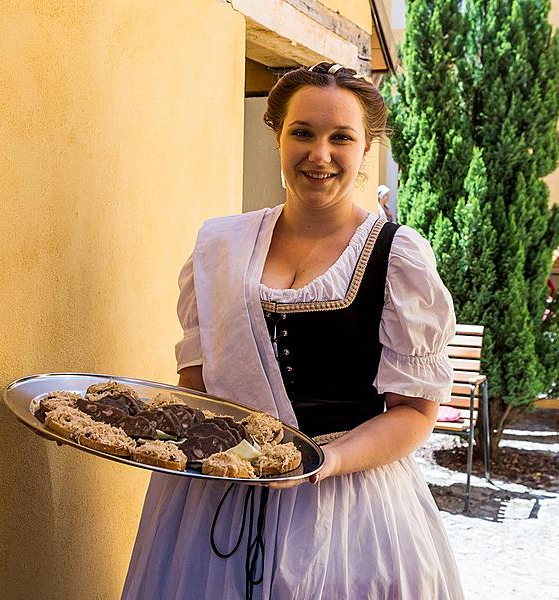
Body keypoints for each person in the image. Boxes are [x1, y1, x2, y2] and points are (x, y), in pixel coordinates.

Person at [122, 63, 464, 599]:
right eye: (302, 132)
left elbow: (416, 413)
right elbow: (197, 388)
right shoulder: (219, 248)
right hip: (216, 503)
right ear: (277, 136)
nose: (319, 154)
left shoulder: (398, 258)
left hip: (351, 510)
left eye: (341, 138)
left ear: (366, 148)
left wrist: (323, 463)